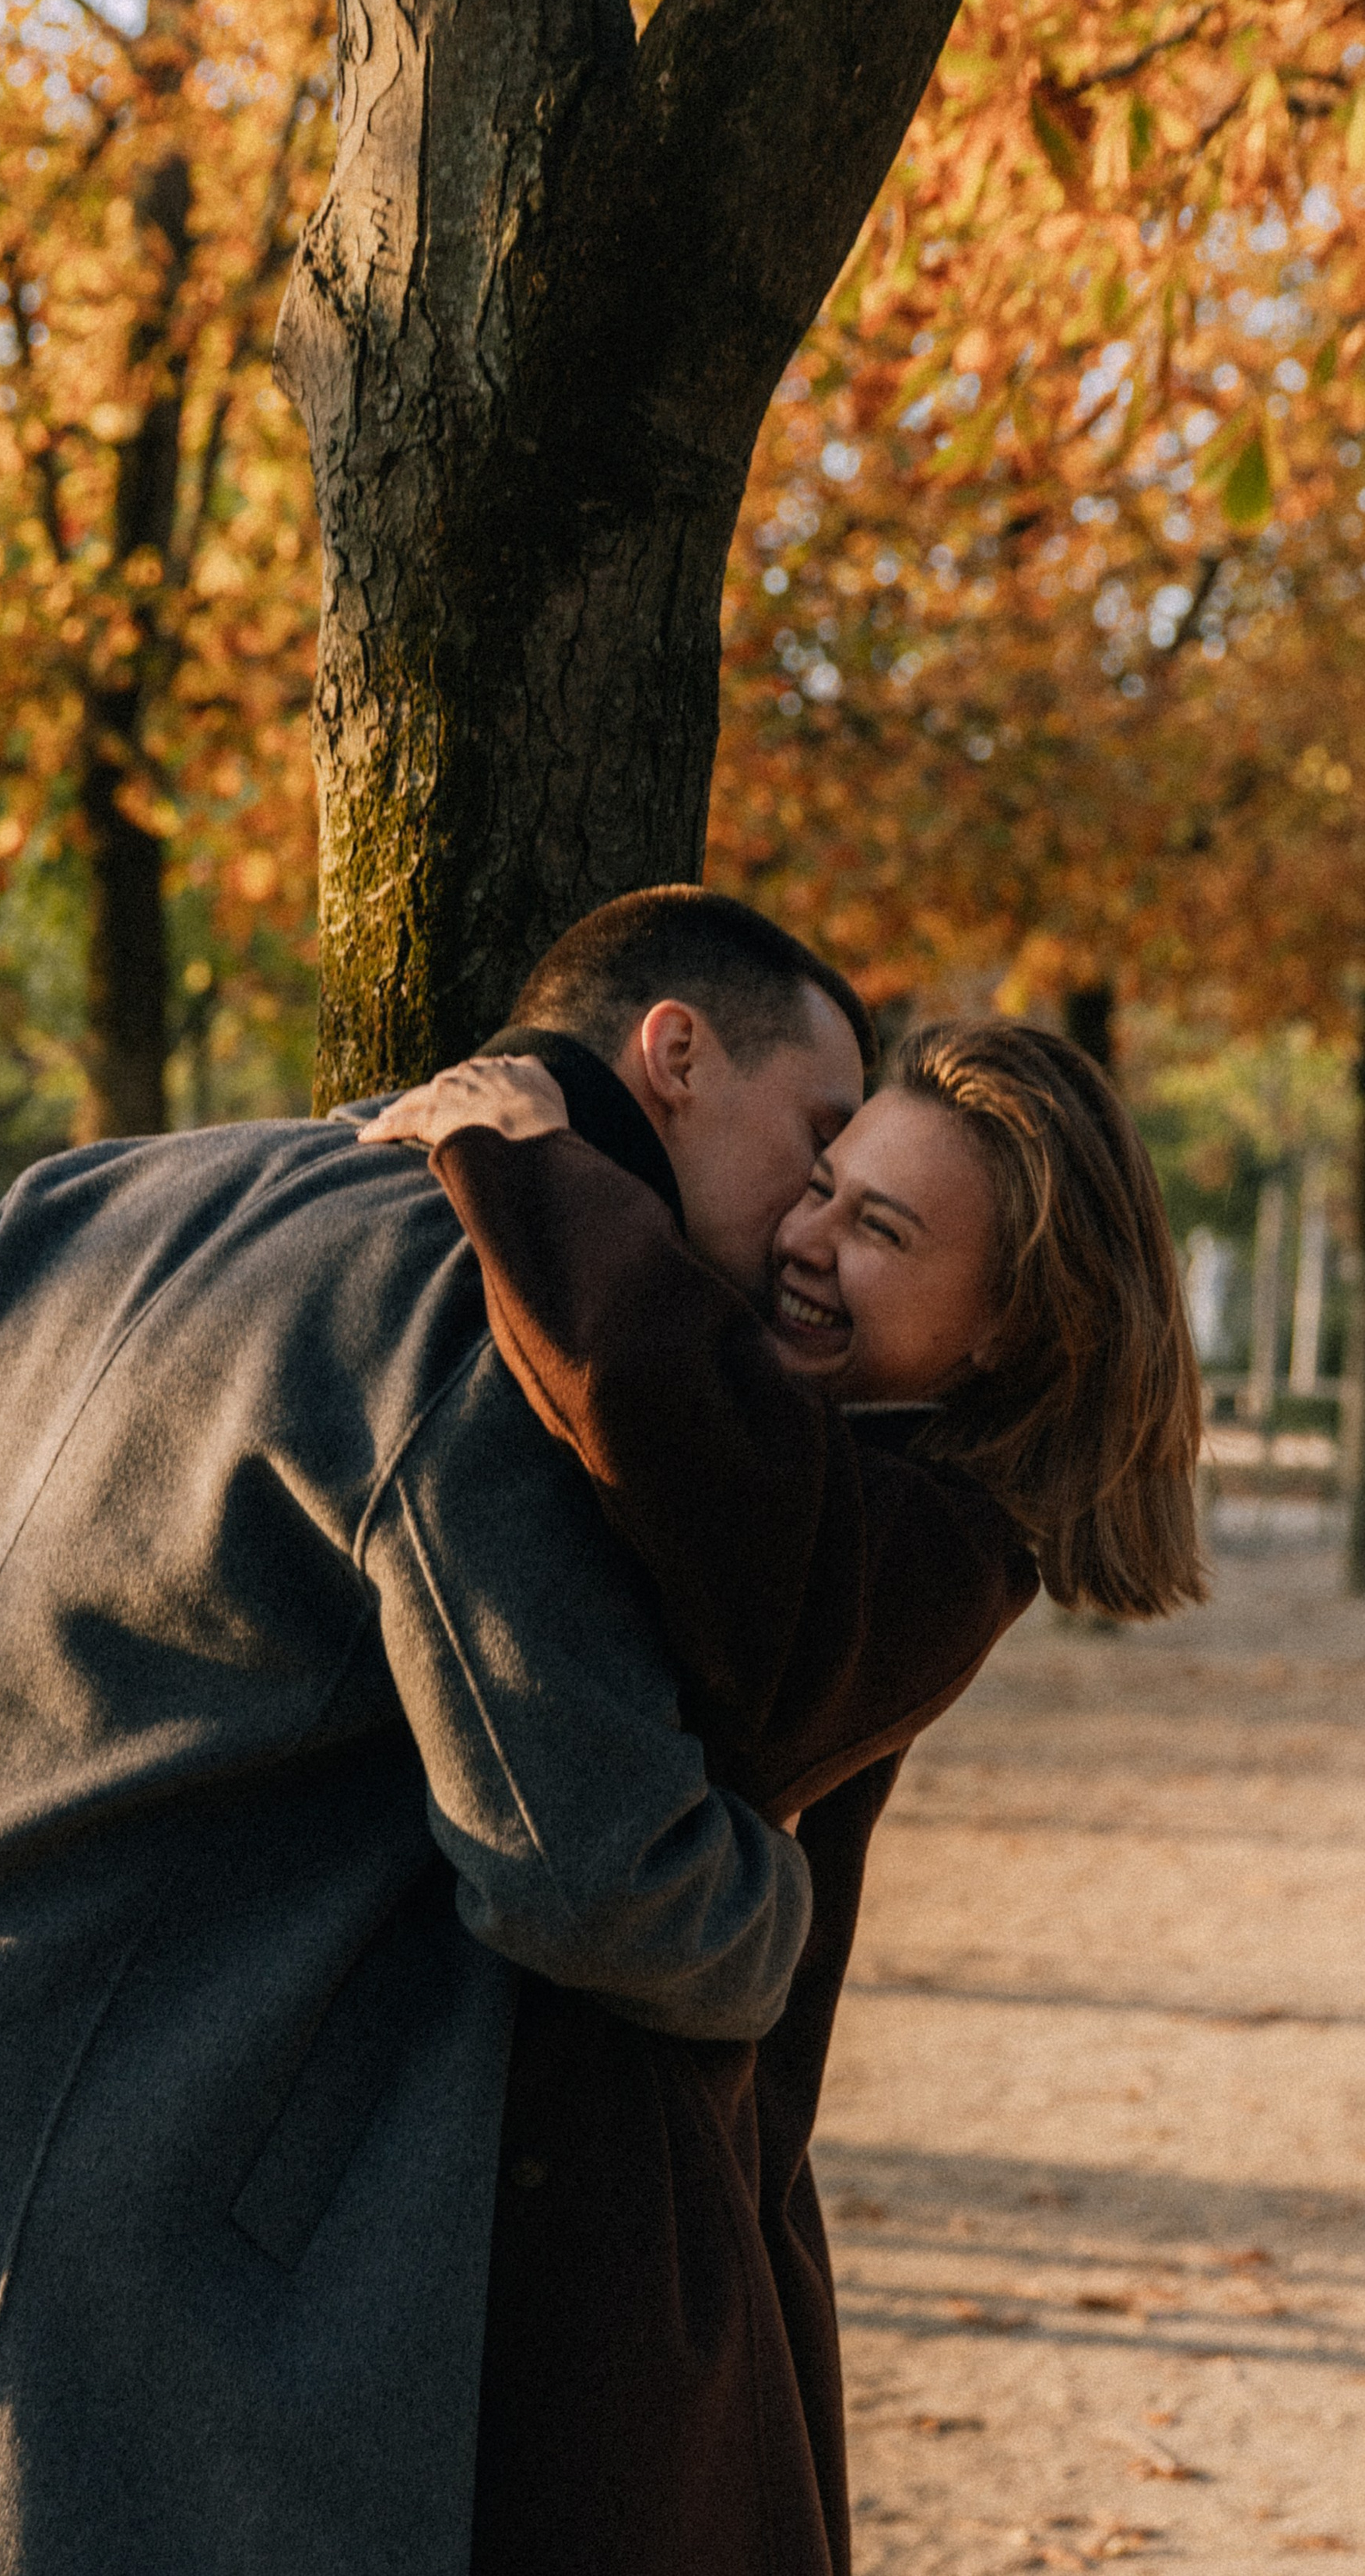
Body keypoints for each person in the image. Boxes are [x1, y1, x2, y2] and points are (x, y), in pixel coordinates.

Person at [0, 892, 873, 2576]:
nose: (817, 1209)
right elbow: (584, 1867)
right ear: (675, 1051)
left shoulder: (98, 1188)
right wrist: (777, 1902)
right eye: (816, 1136)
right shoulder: (470, 1301)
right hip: (104, 2174)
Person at [362, 1007, 1203, 2576]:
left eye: (880, 1227)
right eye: (820, 1179)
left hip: (657, 2228)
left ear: (1014, 1327)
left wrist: (519, 1151)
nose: (804, 1236)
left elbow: (659, 1391)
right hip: (625, 2184)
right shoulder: (844, 1459)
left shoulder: (942, 1546)